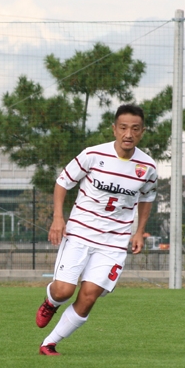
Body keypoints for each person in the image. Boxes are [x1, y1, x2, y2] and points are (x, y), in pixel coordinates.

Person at [36, 104, 157, 355]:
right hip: (80, 232)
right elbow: (62, 183)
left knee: (89, 295)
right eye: (123, 127)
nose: (128, 134)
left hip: (114, 242)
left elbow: (147, 199)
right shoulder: (92, 155)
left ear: (142, 132)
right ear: (114, 129)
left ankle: (49, 343)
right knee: (64, 291)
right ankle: (51, 301)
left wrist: (139, 231)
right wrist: (58, 218)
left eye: (135, 129)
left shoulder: (148, 168)